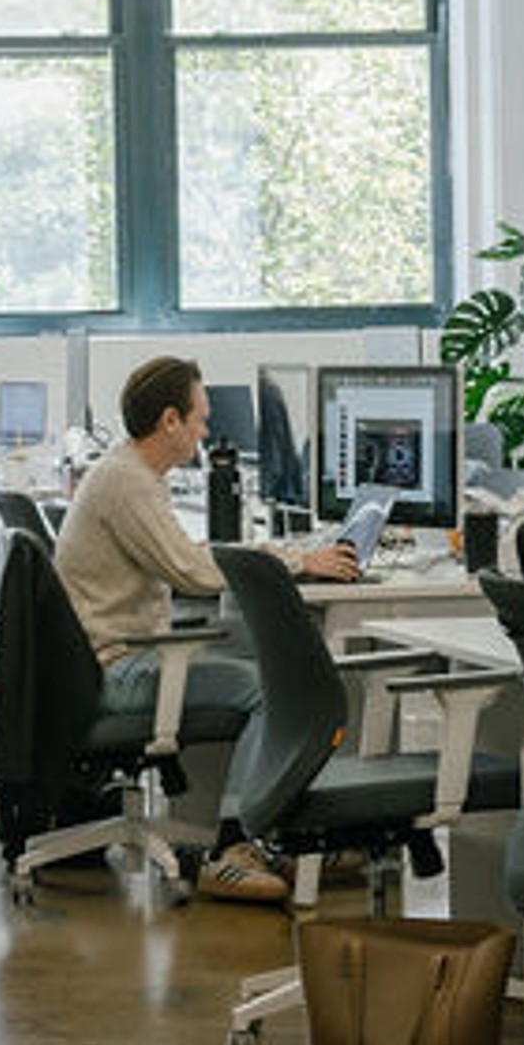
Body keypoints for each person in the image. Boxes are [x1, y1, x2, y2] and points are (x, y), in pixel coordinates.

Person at [57, 355, 357, 903]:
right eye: (199, 417)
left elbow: (185, 560)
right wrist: (295, 560)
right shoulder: (130, 483)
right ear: (169, 421)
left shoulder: (128, 472)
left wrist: (277, 555)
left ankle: (290, 832)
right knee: (270, 690)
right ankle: (231, 845)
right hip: (117, 669)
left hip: (96, 661)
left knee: (248, 653)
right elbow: (192, 573)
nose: (206, 430)